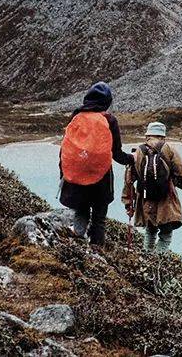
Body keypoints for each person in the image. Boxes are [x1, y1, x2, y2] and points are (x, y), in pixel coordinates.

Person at [59, 81, 133, 246]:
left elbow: (66, 147)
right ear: (107, 101)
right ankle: (97, 250)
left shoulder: (76, 117)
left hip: (76, 175)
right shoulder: (109, 120)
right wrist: (132, 159)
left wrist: (64, 174)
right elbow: (117, 154)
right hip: (101, 178)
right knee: (99, 218)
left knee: (81, 211)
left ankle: (77, 242)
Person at [122, 121, 182, 252]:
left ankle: (147, 256)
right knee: (165, 234)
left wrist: (128, 202)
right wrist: (175, 181)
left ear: (148, 135)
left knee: (150, 230)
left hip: (145, 197)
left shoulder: (138, 151)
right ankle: (158, 259)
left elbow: (129, 179)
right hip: (166, 197)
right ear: (163, 136)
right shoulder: (168, 148)